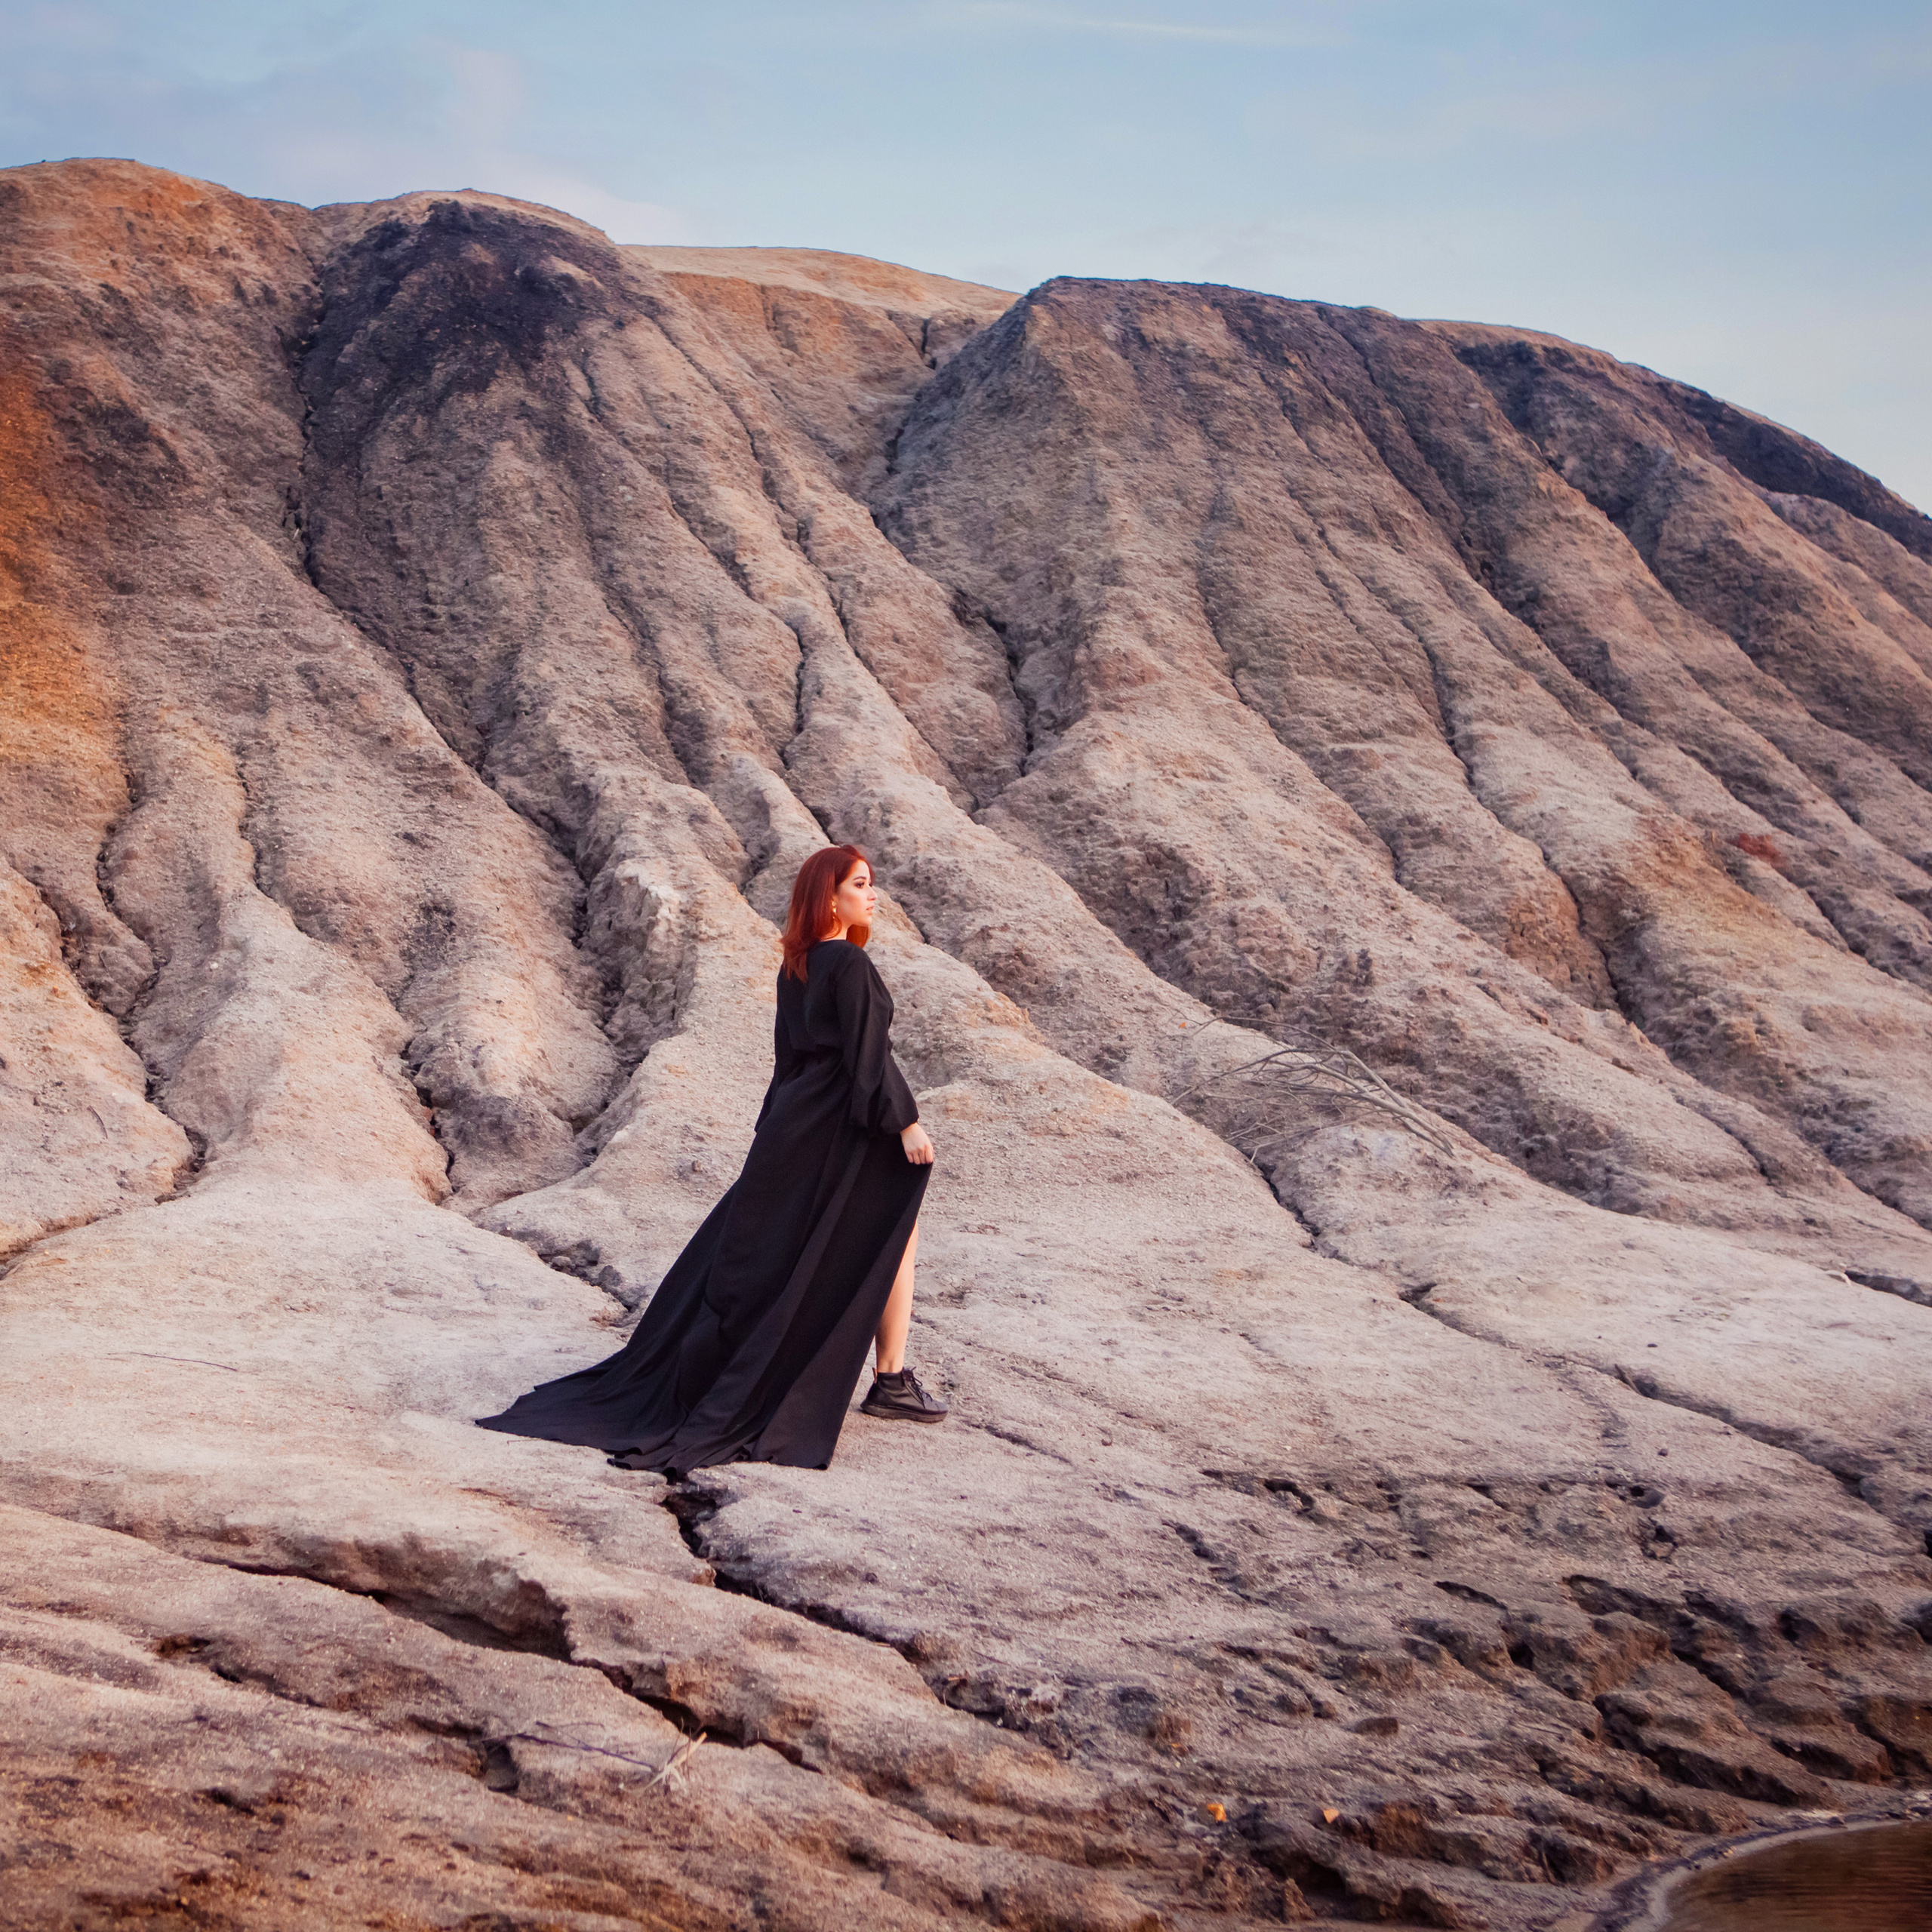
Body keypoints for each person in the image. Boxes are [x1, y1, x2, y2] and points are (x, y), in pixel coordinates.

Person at [476, 844, 946, 1474]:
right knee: (881, 1233)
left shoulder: (797, 966)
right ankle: (888, 1382)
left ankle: (891, 1378)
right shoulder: (850, 966)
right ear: (829, 898)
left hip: (795, 1124)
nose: (872, 894)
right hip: (841, 1126)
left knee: (857, 1240)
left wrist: (771, 1137)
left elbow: (788, 1061)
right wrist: (907, 1125)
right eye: (861, 883)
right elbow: (868, 1059)